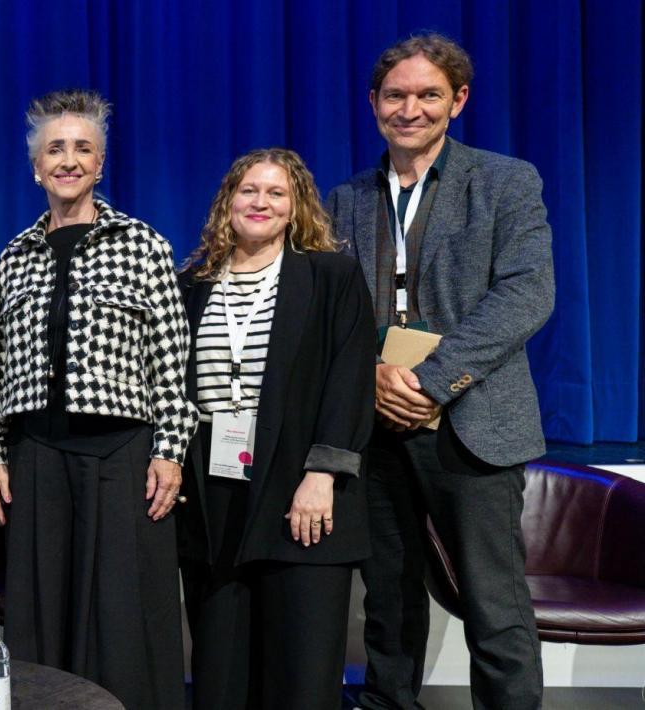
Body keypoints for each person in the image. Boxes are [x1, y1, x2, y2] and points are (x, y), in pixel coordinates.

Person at [327, 33, 554, 710]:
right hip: (375, 425)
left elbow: (525, 296)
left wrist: (430, 383)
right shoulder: (346, 199)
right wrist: (368, 376)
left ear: (457, 101)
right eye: (395, 95)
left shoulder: (507, 181)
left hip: (471, 419)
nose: (410, 108)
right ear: (373, 103)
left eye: (428, 94)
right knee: (387, 601)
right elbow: (329, 311)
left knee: (494, 603)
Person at [0, 88, 191, 708]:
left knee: (122, 614)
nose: (68, 160)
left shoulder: (143, 245)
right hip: (36, 457)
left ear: (100, 164)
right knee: (42, 612)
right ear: (36, 166)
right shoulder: (13, 258)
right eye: (55, 149)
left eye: (83, 149)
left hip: (121, 456)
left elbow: (172, 363)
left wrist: (170, 450)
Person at [177, 149, 376, 709]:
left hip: (300, 491)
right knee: (220, 673)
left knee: (300, 676)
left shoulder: (331, 276)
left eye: (276, 193)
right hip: (214, 495)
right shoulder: (191, 284)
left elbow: (349, 379)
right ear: (227, 203)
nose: (260, 202)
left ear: (295, 209)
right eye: (248, 191)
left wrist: (323, 473)